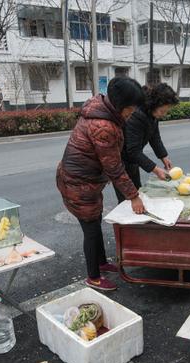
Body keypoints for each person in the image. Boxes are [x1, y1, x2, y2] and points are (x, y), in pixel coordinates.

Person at [56, 77, 146, 291]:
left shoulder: (102, 110)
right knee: (91, 229)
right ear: (120, 105)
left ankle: (102, 263)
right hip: (77, 184)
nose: (132, 113)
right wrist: (134, 196)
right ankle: (93, 277)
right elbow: (114, 167)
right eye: (131, 109)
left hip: (86, 182)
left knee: (95, 222)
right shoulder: (103, 126)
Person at [114, 83, 180, 203]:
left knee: (137, 193)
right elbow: (133, 150)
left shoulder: (152, 114)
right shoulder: (136, 116)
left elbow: (154, 136)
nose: (163, 114)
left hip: (132, 161)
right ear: (154, 104)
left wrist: (163, 156)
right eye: (162, 111)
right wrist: (155, 169)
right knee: (127, 200)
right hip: (120, 163)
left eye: (166, 111)